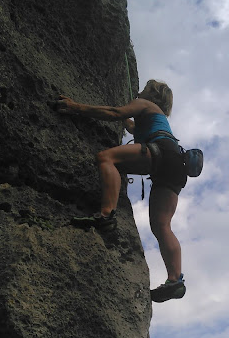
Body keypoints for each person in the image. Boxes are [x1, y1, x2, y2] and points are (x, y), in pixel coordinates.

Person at [55, 79, 187, 303]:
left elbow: (115, 113)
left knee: (106, 158)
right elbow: (131, 126)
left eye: (144, 89)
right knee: (162, 225)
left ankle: (106, 215)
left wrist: (76, 107)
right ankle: (175, 280)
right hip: (176, 163)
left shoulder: (144, 104)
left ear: (152, 95)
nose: (138, 91)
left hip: (159, 152)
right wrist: (126, 118)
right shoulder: (157, 117)